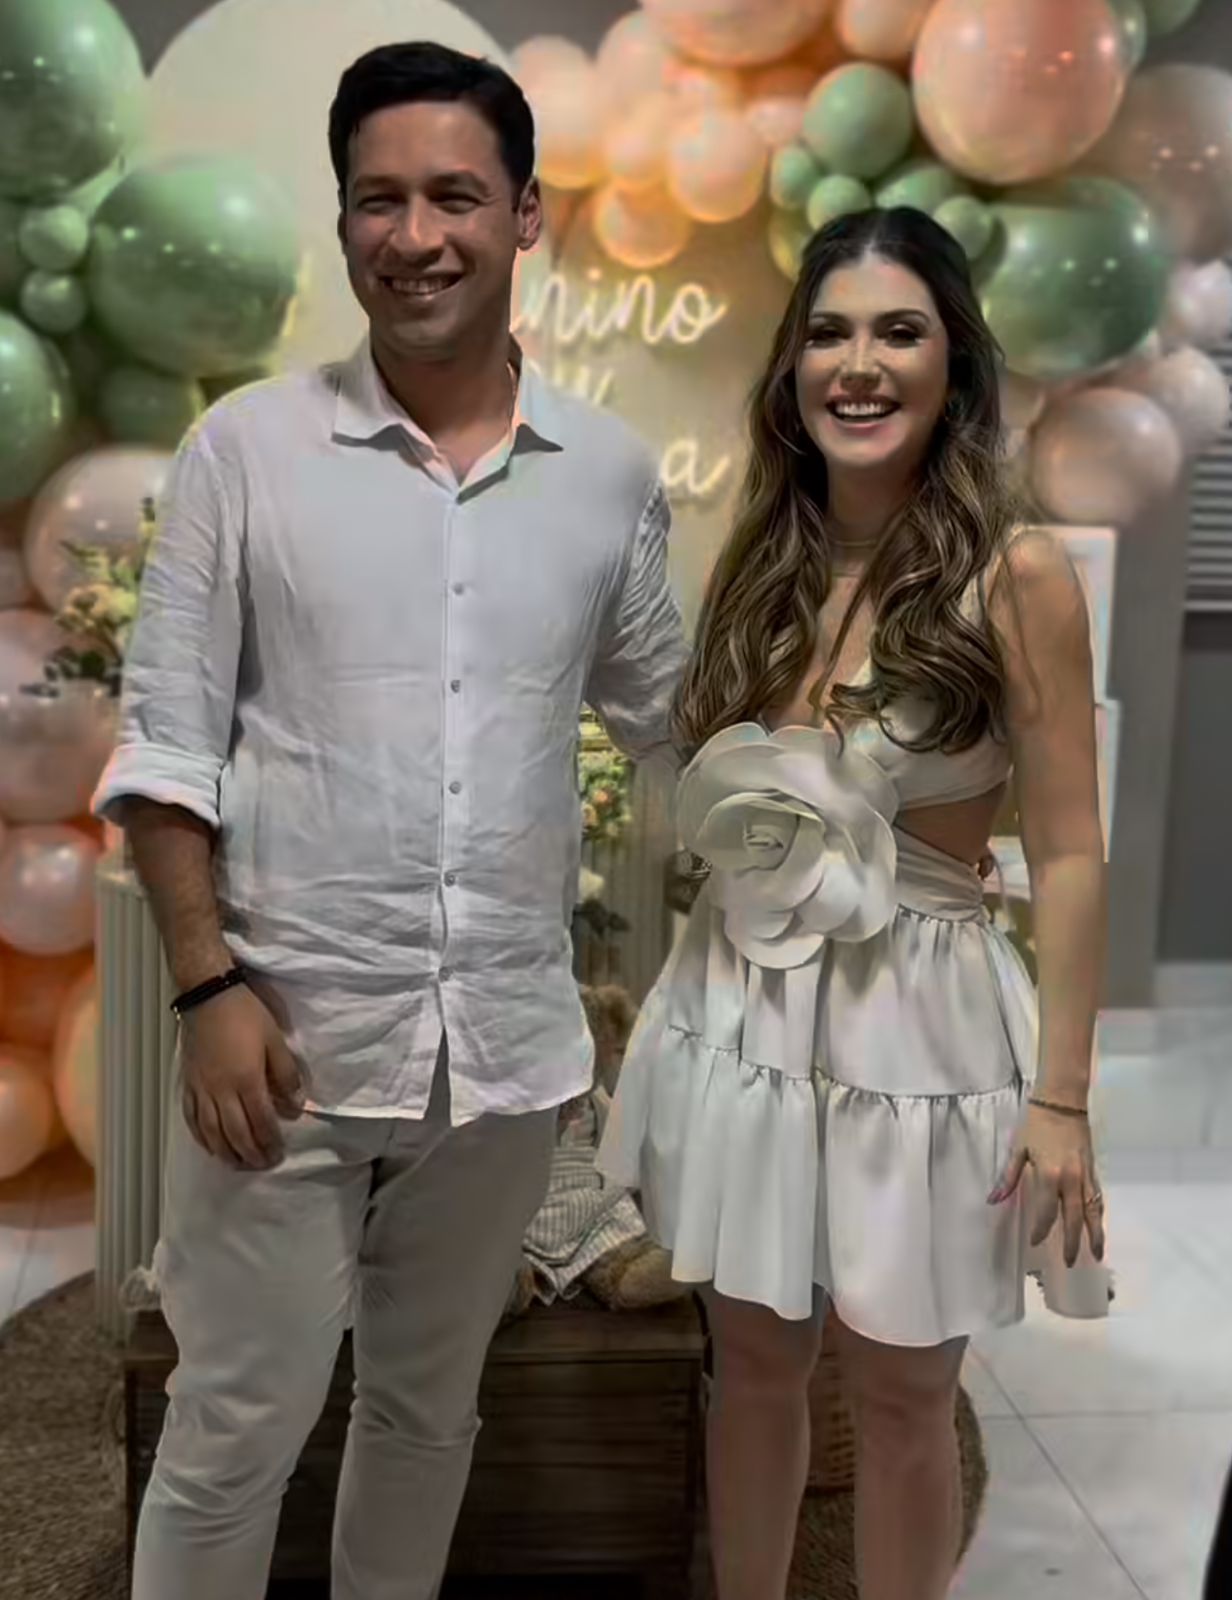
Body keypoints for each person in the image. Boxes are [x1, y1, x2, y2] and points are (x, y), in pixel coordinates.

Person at [94, 41, 686, 1600]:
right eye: (380, 199)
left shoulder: (609, 475)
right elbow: (166, 744)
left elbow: (672, 713)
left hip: (500, 1054)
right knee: (232, 1428)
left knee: (429, 1414)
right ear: (345, 217)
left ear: (526, 216)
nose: (415, 236)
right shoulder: (246, 453)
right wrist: (208, 990)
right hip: (281, 1043)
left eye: (455, 197)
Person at [597, 206, 1111, 1600]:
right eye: (829, 333)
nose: (860, 364)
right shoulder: (761, 563)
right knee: (753, 1368)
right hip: (745, 1006)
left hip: (920, 1022)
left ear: (955, 364)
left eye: (899, 331)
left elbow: (1071, 852)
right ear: (792, 366)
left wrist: (1063, 1099)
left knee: (901, 1390)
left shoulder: (1019, 575)